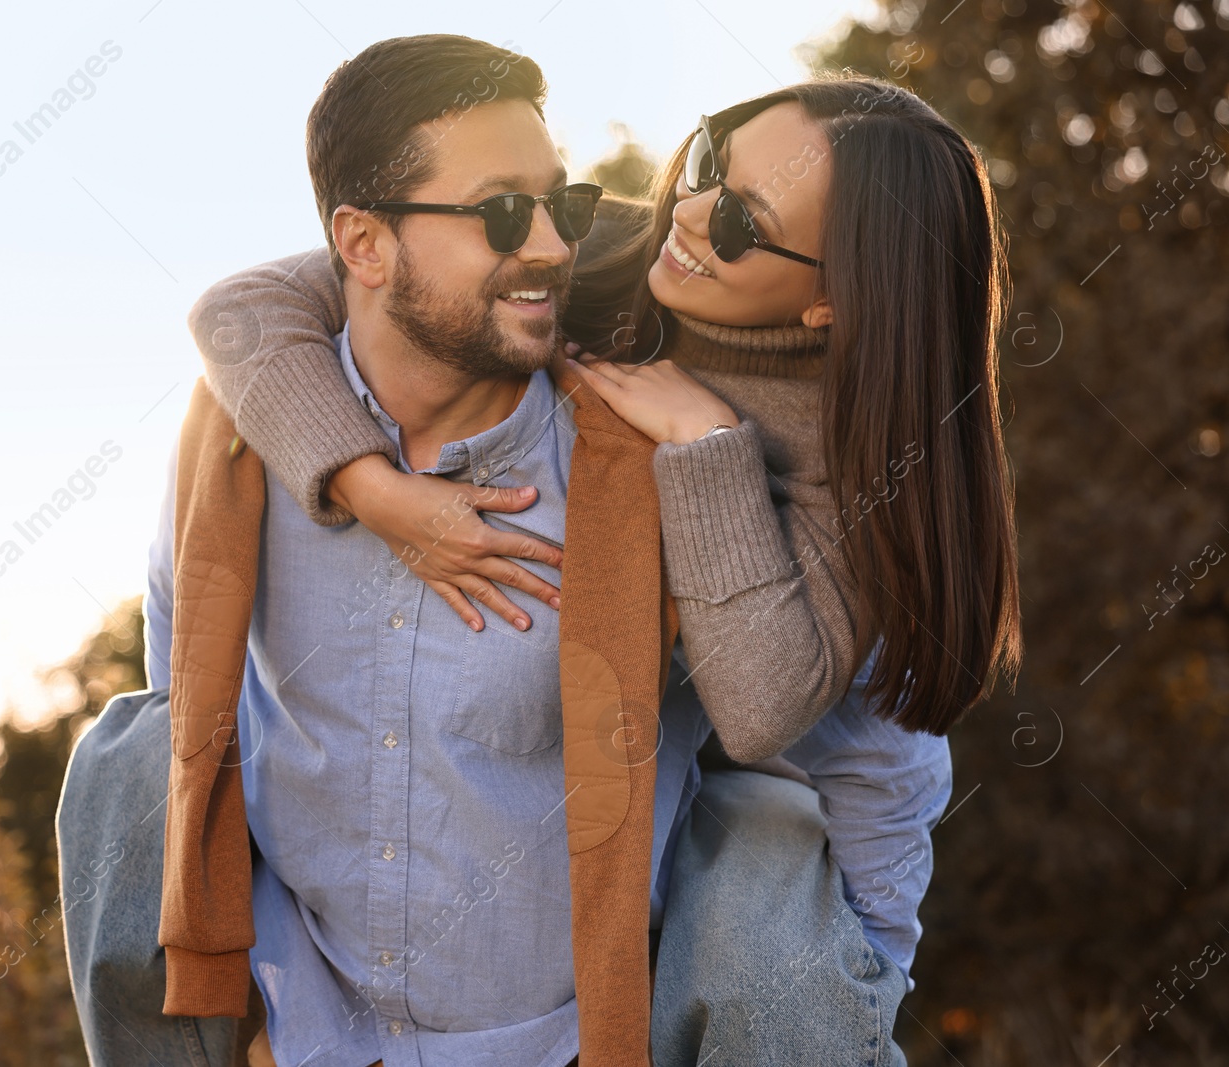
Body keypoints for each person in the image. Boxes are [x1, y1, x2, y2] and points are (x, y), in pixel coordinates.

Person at [59, 36, 973, 1067]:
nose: (555, 243)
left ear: (830, 301)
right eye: (708, 160)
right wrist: (370, 485)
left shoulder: (768, 463)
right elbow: (235, 317)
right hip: (316, 1028)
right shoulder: (251, 430)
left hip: (575, 1024)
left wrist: (859, 1000)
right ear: (361, 242)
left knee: (763, 834)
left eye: (734, 220)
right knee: (131, 752)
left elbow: (860, 744)